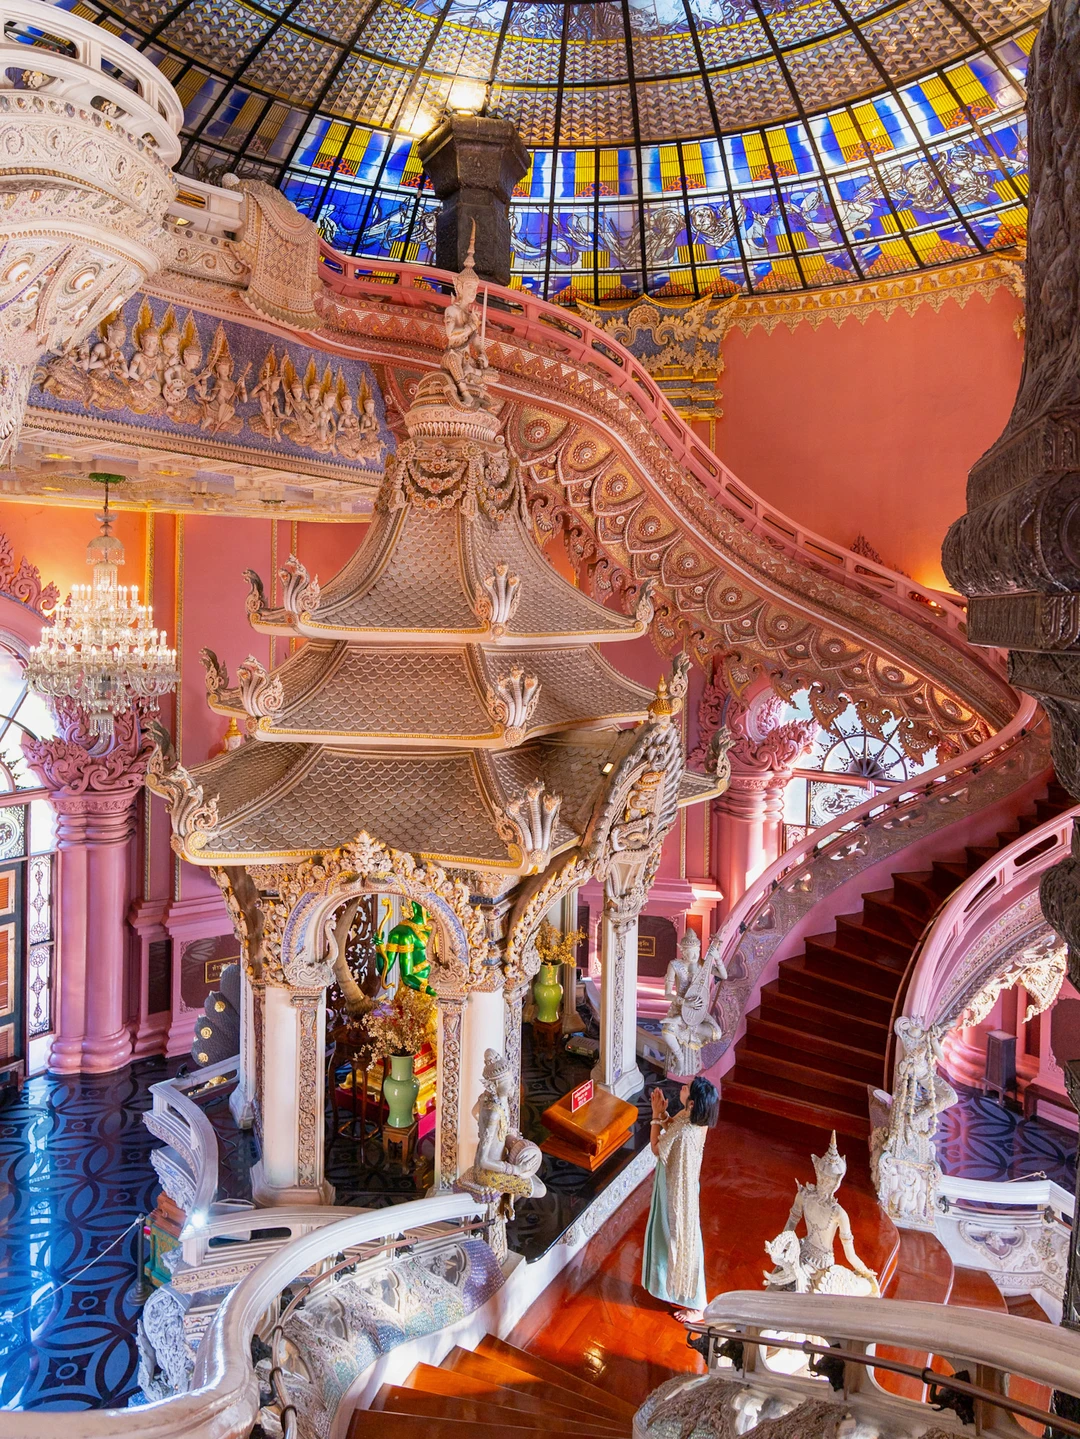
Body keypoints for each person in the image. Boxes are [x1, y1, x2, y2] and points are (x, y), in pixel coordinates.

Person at [641, 1074, 718, 1321]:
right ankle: (670, 1287)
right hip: (684, 1185)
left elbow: (657, 1147)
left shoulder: (686, 1129)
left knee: (680, 1238)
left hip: (675, 1190)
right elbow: (673, 1127)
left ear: (692, 1103)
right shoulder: (694, 1119)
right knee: (676, 1236)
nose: (682, 1088)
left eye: (686, 1088)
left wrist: (655, 1115)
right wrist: (664, 1115)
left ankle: (697, 1304)